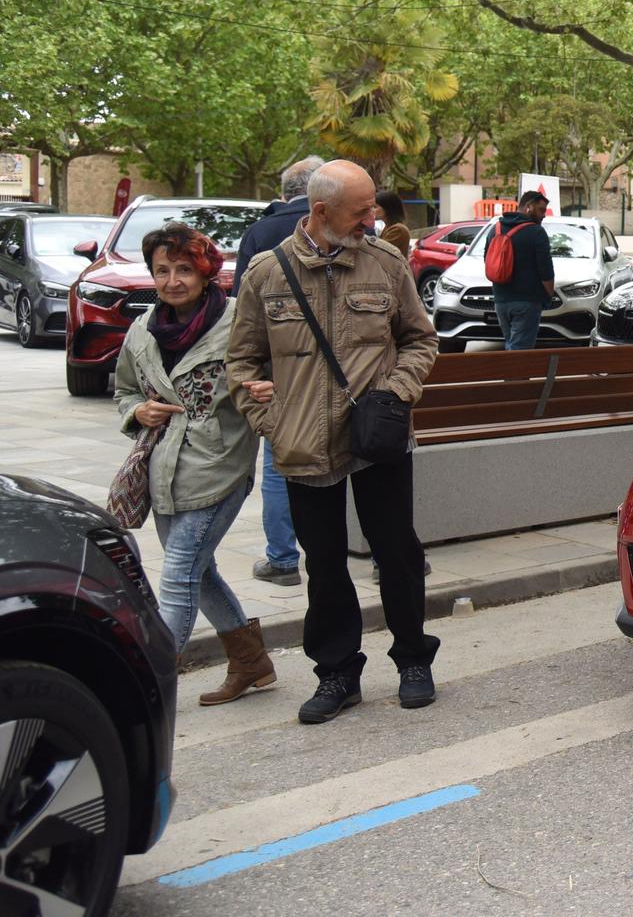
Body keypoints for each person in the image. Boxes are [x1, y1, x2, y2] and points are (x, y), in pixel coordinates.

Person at [228, 159, 441, 724]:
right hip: (302, 444)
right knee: (323, 566)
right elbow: (241, 360)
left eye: (372, 206)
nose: (373, 218)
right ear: (321, 212)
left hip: (377, 437)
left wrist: (396, 394)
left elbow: (421, 339)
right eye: (361, 210)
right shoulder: (265, 275)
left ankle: (413, 660)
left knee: (397, 553)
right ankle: (337, 674)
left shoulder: (386, 263)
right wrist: (268, 420)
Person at [114, 222, 275, 705]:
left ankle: (147, 685)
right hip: (162, 469)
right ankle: (252, 663)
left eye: (184, 269)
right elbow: (123, 389)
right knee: (198, 573)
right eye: (162, 270)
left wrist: (269, 389)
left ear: (206, 273)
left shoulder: (236, 322)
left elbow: (275, 373)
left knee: (180, 573)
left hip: (221, 464)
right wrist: (136, 411)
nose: (172, 280)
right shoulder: (143, 328)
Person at [231, 155, 324, 588]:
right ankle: (376, 557)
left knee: (278, 464)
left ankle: (283, 560)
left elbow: (241, 314)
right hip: (345, 372)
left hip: (278, 374)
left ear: (284, 192)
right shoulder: (343, 226)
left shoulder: (259, 233)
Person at [490, 190, 556, 351]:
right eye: (541, 210)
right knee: (520, 352)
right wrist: (549, 294)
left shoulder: (496, 229)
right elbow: (546, 270)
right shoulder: (536, 232)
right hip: (527, 302)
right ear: (528, 207)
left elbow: (489, 261)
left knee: (512, 345)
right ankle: (515, 377)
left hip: (500, 300)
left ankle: (512, 375)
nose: (544, 215)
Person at [374, 189, 412, 258]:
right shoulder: (388, 227)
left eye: (375, 207)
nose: (372, 210)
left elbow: (379, 251)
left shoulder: (398, 230)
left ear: (387, 208)